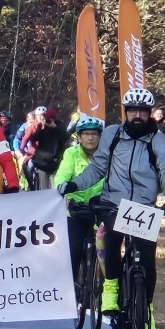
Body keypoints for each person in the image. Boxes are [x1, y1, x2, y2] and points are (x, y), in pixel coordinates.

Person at [58, 88, 165, 329]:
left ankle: (147, 312)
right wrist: (75, 185)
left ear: (150, 114)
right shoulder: (112, 134)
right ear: (125, 112)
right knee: (109, 238)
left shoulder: (156, 139)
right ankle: (111, 289)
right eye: (132, 110)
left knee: (147, 258)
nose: (137, 115)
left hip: (144, 205)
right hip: (113, 201)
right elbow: (98, 167)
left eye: (142, 111)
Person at [55, 116, 105, 293]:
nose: (90, 138)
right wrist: (62, 191)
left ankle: (109, 287)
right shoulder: (71, 153)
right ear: (79, 136)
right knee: (73, 249)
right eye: (86, 134)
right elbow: (62, 175)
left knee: (109, 247)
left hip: (102, 207)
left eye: (94, 134)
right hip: (77, 207)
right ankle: (71, 288)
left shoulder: (108, 155)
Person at [21, 107, 68, 190]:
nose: (49, 122)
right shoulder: (41, 126)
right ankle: (30, 187)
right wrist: (41, 127)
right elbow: (34, 138)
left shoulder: (59, 126)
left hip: (55, 162)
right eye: (47, 119)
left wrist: (55, 127)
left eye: (50, 119)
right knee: (43, 188)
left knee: (55, 187)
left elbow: (65, 138)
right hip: (42, 163)